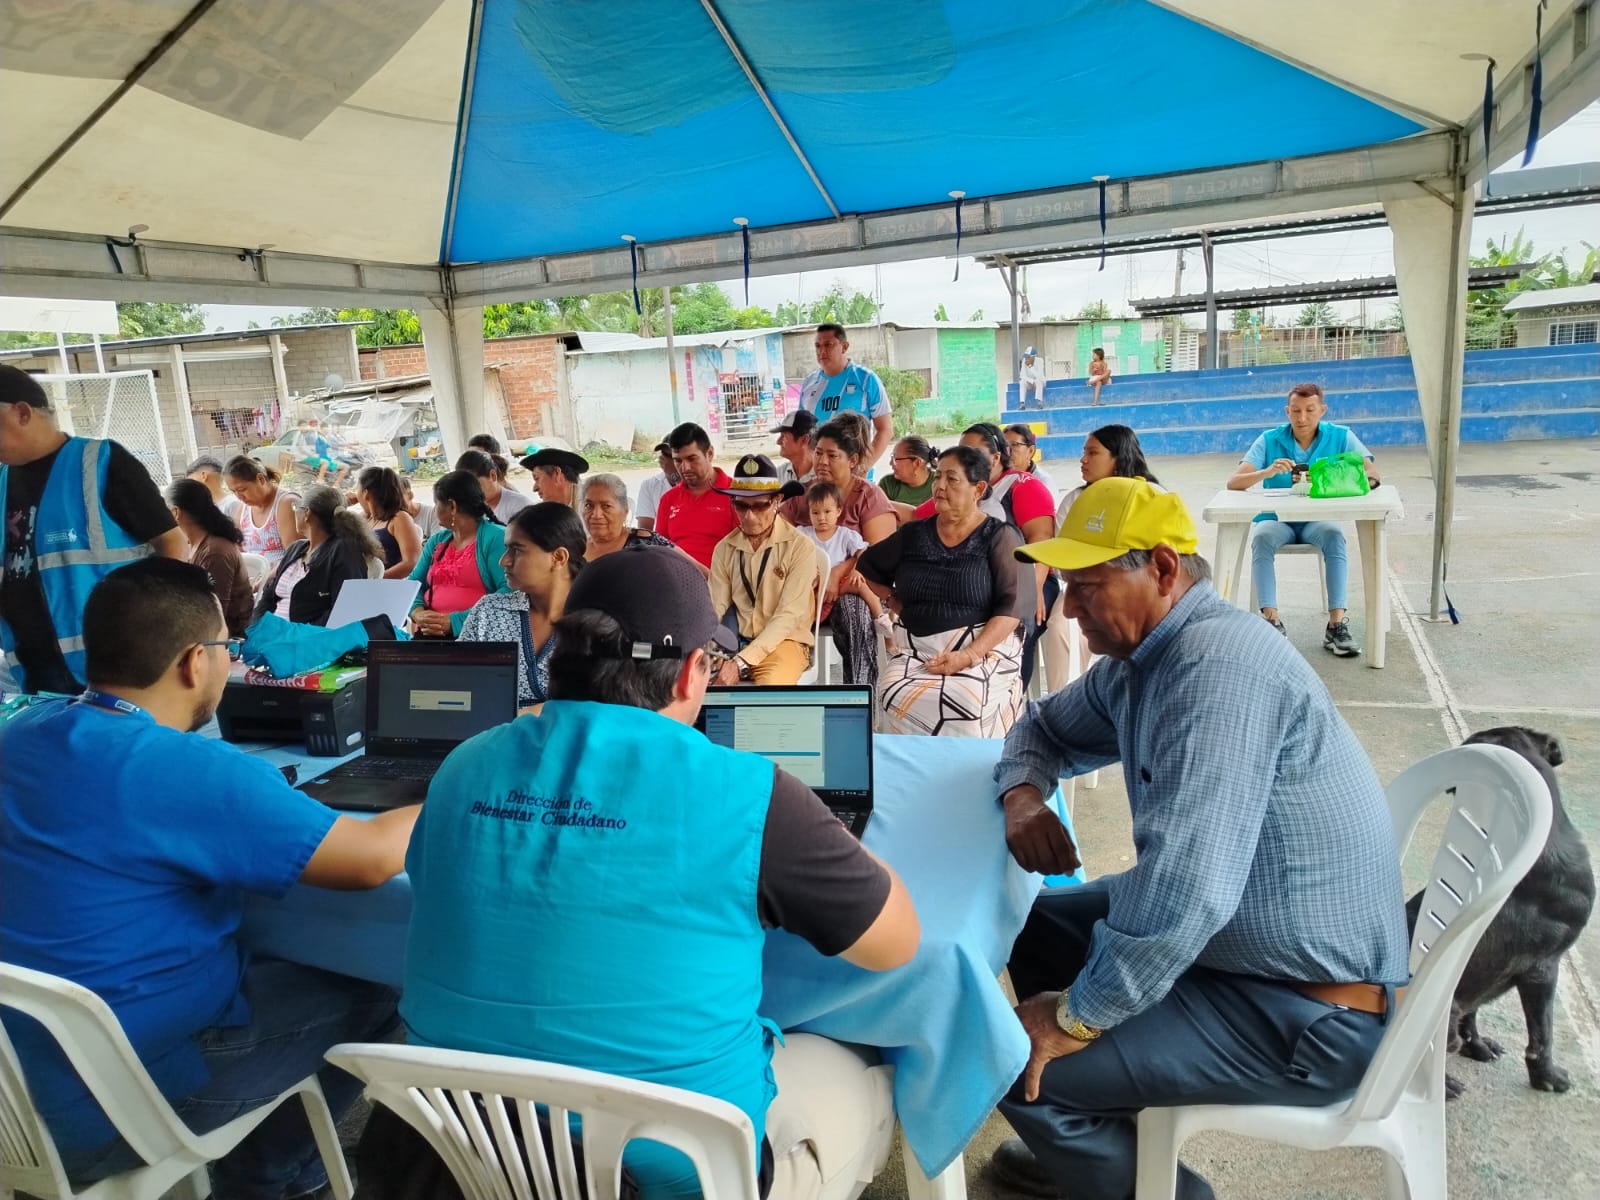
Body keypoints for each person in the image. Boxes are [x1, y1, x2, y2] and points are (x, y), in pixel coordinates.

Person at [400, 545, 920, 1200]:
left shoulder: (463, 766)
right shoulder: (751, 793)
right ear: (692, 674)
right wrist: (824, 832)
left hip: (465, 1153)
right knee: (861, 1057)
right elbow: (895, 943)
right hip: (678, 1178)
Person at [983, 476, 1409, 1200]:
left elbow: (1187, 893)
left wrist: (1074, 1019)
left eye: (1087, 586)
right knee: (1031, 923)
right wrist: (1023, 798)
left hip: (1308, 1012)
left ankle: (1131, 1167)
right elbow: (1042, 726)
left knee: (1005, 1061)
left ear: (1161, 568)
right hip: (1247, 949)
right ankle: (1091, 1144)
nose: (1070, 608)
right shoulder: (1142, 660)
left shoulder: (1214, 673)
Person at [0, 557, 414, 1196]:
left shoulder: (22, 731)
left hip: (17, 1086)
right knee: (378, 989)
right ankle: (268, 1180)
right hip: (116, 1105)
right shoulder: (186, 769)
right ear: (196, 662)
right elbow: (371, 859)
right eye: (228, 648)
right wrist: (459, 778)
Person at [1, 365, 185, 695]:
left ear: (22, 413)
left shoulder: (100, 462)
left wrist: (162, 629)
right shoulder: (3, 480)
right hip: (34, 672)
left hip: (118, 666)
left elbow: (171, 542)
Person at [858, 446, 1028, 737]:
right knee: (892, 690)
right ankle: (912, 767)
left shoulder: (1000, 537)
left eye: (952, 479)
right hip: (918, 652)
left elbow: (1012, 608)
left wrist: (969, 655)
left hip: (982, 650)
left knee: (967, 700)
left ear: (978, 489)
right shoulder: (914, 534)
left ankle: (970, 766)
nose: (939, 486)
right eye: (937, 477)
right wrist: (893, 601)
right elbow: (868, 566)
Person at [1226, 382, 1379, 657]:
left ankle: (1336, 625)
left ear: (1322, 410)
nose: (1302, 417)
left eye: (1310, 410)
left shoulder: (1341, 436)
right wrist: (1266, 472)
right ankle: (1272, 621)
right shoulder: (1270, 439)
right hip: (1277, 520)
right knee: (1262, 538)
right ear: (1287, 411)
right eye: (1295, 411)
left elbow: (1373, 475)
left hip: (1317, 520)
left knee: (1334, 536)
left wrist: (1335, 479)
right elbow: (1234, 482)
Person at [912, 424, 1055, 689]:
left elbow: (1042, 541)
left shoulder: (1023, 486)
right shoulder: (961, 487)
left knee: (1016, 624)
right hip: (978, 581)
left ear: (996, 457)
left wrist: (1030, 590)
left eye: (972, 451)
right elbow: (914, 516)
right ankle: (955, 692)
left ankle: (1009, 697)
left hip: (1030, 577)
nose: (964, 456)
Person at [1041, 425, 1163, 693]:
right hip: (1083, 585)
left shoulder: (1150, 496)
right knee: (1061, 625)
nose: (1083, 460)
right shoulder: (1075, 500)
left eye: (1093, 453)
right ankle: (1064, 700)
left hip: (1138, 589)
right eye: (1084, 452)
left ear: (1118, 458)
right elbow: (1061, 562)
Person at [778, 418, 896, 686]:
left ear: (852, 460)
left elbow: (878, 559)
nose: (821, 462)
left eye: (832, 456)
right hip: (808, 591)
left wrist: (835, 574)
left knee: (854, 612)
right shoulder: (804, 494)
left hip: (856, 591)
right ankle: (778, 688)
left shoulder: (868, 496)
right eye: (818, 453)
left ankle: (858, 693)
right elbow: (776, 537)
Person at [459, 502, 585, 709]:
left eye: (516, 550)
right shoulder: (490, 612)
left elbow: (602, 705)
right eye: (506, 549)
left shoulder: (594, 622)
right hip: (491, 728)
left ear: (558, 557)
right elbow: (457, 681)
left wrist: (527, 716)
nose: (504, 561)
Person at [707, 455, 819, 687]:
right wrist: (703, 647)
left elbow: (788, 616)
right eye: (741, 506)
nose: (749, 516)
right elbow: (714, 607)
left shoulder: (800, 547)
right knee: (697, 680)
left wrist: (740, 662)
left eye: (759, 506)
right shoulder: (724, 548)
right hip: (736, 641)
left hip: (785, 642)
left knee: (770, 688)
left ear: (777, 501)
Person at [254, 484, 381, 627]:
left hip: (306, 635)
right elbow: (269, 597)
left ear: (306, 513)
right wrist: (255, 626)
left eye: (295, 508)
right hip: (273, 631)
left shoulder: (344, 552)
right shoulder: (296, 548)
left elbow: (340, 611)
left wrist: (300, 634)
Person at [407, 470, 509, 638]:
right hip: (431, 635)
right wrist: (418, 613)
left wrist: (456, 622)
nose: (434, 510)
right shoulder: (437, 541)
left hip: (478, 636)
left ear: (452, 506)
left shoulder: (496, 538)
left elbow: (509, 592)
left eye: (436, 504)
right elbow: (413, 584)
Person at [798, 323, 894, 470]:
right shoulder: (808, 384)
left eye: (828, 345)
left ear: (844, 347)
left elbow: (885, 429)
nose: (822, 351)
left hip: (854, 475)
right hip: (819, 475)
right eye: (817, 346)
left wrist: (863, 468)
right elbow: (802, 432)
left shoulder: (866, 380)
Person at [166, 478, 255, 637]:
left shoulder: (215, 552)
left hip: (230, 637)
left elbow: (216, 615)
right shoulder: (193, 544)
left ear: (176, 512)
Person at [797, 480, 884, 631]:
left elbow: (863, 553)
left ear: (838, 511)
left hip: (839, 585)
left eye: (827, 512)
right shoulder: (804, 534)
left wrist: (857, 570)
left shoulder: (845, 535)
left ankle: (881, 618)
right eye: (815, 512)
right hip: (815, 585)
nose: (821, 517)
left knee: (860, 585)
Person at [655, 422, 737, 575]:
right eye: (678, 461)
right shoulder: (669, 499)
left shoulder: (736, 495)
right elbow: (660, 549)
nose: (685, 468)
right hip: (676, 582)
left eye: (692, 459)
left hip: (723, 583)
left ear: (709, 453)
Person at [225, 455, 299, 566]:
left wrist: (265, 575)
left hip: (282, 573)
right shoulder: (242, 510)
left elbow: (295, 556)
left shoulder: (286, 504)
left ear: (260, 479)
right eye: (233, 491)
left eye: (242, 489)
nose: (239, 496)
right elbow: (236, 548)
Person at [581, 473, 675, 559]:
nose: (596, 515)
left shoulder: (647, 543)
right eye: (589, 506)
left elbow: (682, 563)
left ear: (625, 510)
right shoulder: (577, 549)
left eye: (606, 506)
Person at [355, 465, 422, 579]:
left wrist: (376, 580)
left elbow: (411, 562)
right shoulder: (366, 518)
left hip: (388, 584)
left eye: (357, 490)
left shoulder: (399, 518)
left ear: (365, 493)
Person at [455, 448, 533, 524]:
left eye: (475, 485)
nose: (471, 492)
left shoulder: (520, 506)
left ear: (493, 476)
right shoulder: (467, 511)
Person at [880, 434, 936, 521]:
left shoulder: (938, 483)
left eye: (895, 459)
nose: (890, 463)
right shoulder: (887, 484)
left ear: (917, 463)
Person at [633, 441, 679, 533]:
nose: (668, 461)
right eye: (665, 454)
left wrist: (675, 473)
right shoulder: (650, 485)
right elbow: (645, 530)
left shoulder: (697, 485)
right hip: (661, 540)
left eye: (674, 457)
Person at [521, 446, 588, 508]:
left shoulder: (588, 509)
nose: (534, 488)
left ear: (557, 474)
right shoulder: (542, 512)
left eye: (537, 478)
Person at [185, 454, 243, 523]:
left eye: (191, 481)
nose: (190, 487)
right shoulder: (206, 508)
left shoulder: (233, 504)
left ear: (203, 475)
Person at [1004, 423, 1056, 495]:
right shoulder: (999, 476)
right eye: (1004, 446)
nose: (1007, 451)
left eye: (1014, 445)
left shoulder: (1042, 482)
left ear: (1030, 451)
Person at [771, 408, 818, 485]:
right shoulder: (779, 474)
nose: (778, 442)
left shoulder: (823, 475)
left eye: (783, 436)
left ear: (804, 440)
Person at [399, 473, 439, 540]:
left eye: (397, 498)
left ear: (410, 495)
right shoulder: (392, 520)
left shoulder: (431, 513)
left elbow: (438, 543)